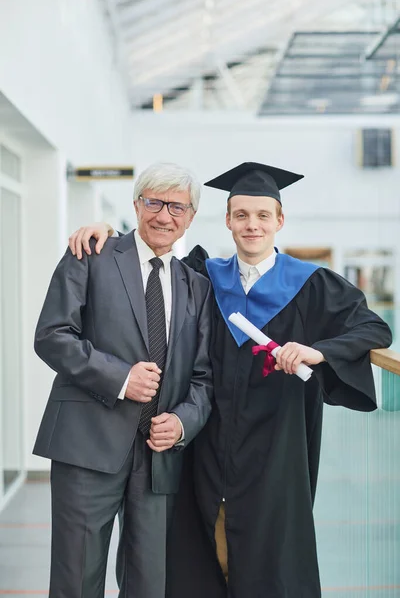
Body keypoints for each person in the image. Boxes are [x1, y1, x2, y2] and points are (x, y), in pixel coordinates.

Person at [69, 162, 392, 598]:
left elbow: (374, 330)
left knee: (269, 556)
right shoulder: (203, 275)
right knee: (197, 552)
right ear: (227, 220)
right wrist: (106, 230)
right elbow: (149, 257)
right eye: (241, 215)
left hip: (277, 446)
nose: (252, 225)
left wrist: (317, 350)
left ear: (280, 220)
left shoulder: (312, 285)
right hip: (205, 443)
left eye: (262, 215)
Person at [33, 162, 213, 598]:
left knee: (148, 584)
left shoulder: (197, 286)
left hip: (157, 459)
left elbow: (204, 379)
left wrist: (184, 423)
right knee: (77, 579)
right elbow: (52, 336)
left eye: (176, 207)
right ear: (136, 205)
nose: (164, 216)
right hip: (87, 446)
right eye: (153, 202)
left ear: (190, 217)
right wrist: (120, 379)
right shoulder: (92, 254)